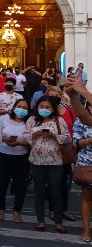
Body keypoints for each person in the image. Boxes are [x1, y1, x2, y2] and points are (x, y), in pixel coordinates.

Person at [22, 95, 72, 233]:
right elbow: (25, 136)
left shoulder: (59, 120)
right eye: (42, 106)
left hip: (56, 161)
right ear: (37, 107)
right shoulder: (32, 120)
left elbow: (67, 138)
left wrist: (54, 136)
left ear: (53, 108)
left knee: (55, 191)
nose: (44, 109)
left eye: (48, 107)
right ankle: (40, 221)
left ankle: (58, 221)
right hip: (36, 161)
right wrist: (36, 134)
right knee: (39, 191)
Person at [0, 98, 31, 223]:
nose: (21, 109)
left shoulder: (29, 122)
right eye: (19, 106)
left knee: (20, 185)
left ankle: (17, 211)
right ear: (14, 107)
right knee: (1, 184)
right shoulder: (4, 119)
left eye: (25, 108)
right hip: (3, 154)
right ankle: (1, 209)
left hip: (21, 157)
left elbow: (31, 142)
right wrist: (4, 140)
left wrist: (19, 143)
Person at [45, 86, 77, 223]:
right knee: (52, 183)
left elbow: (75, 128)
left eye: (56, 95)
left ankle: (64, 209)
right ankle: (52, 209)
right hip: (50, 151)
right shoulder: (45, 112)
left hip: (66, 150)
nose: (54, 97)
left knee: (64, 182)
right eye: (51, 95)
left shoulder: (69, 111)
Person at [72, 116, 92, 243]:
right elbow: (76, 142)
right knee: (87, 197)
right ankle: (86, 230)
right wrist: (89, 140)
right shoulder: (81, 119)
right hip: (87, 163)